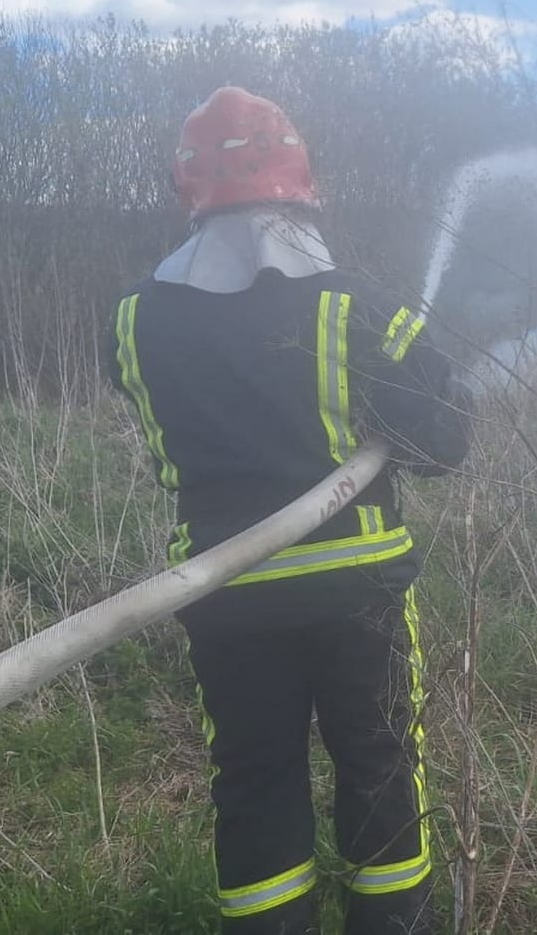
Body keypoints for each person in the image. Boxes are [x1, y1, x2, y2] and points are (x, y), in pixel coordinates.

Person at [106, 86, 469, 934]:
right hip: (357, 587)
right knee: (381, 761)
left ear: (190, 190)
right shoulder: (358, 306)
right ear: (300, 187)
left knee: (253, 775)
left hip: (222, 591)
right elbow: (442, 446)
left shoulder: (135, 317)